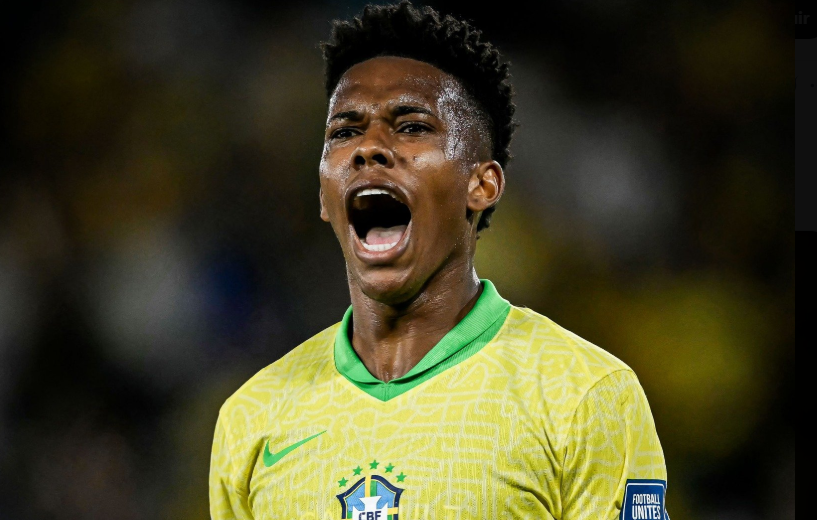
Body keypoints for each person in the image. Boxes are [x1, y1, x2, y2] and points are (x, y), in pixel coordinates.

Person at [209, 2, 668, 519]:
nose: (368, 148)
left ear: (482, 185)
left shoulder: (584, 393)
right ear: (323, 194)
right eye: (344, 132)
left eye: (411, 127)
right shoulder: (253, 416)